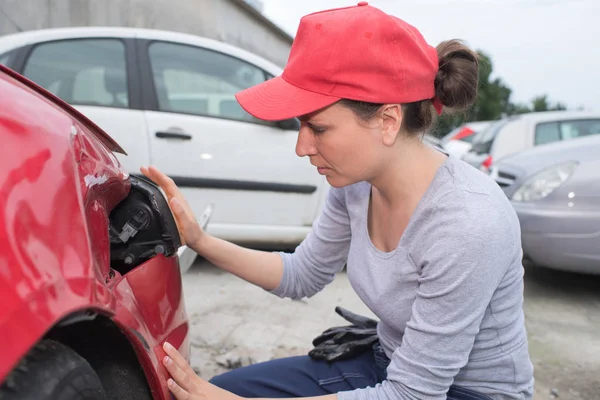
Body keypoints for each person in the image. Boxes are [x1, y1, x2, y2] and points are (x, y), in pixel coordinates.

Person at [143, 2, 535, 400]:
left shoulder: (468, 222)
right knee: (220, 389)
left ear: (387, 121)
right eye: (299, 126)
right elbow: (301, 274)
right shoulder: (355, 185)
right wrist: (199, 240)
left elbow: (412, 395)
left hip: (462, 392)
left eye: (318, 127)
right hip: (389, 363)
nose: (301, 147)